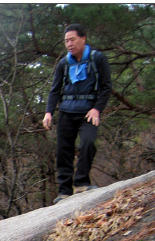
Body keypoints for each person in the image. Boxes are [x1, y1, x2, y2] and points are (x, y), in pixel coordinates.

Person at [42, 23, 112, 204]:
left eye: (72, 39)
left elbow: (106, 87)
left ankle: (81, 182)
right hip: (66, 111)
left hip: (89, 111)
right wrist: (48, 112)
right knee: (63, 150)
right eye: (66, 41)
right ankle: (64, 191)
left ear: (83, 39)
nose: (69, 44)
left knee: (88, 143)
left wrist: (97, 108)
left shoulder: (98, 59)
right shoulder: (64, 64)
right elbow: (54, 90)